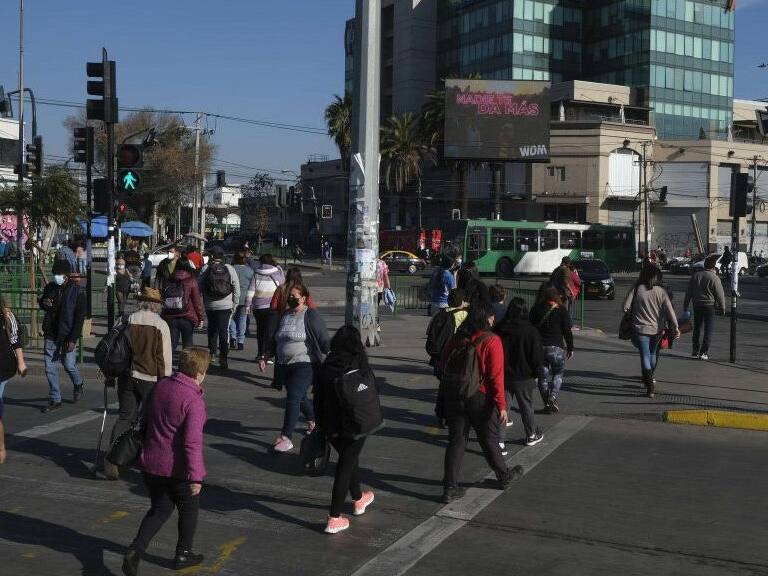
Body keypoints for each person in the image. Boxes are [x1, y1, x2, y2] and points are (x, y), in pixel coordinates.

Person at [121, 347, 210, 576]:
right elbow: (191, 443)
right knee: (189, 510)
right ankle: (183, 553)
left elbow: (146, 420)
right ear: (200, 372)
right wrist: (196, 476)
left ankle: (135, 549)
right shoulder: (193, 400)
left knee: (159, 510)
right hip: (177, 468)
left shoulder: (161, 386)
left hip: (151, 464)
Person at [436, 302, 523, 503]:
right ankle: (503, 475)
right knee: (488, 439)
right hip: (480, 397)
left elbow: (442, 365)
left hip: (455, 395)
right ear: (485, 319)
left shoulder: (457, 339)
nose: (493, 320)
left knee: (457, 440)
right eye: (491, 317)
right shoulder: (491, 340)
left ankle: (449, 487)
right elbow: (496, 377)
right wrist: (501, 405)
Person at [105, 287, 173, 481]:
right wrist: (166, 382)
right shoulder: (161, 325)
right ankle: (148, 460)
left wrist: (111, 373)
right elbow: (164, 359)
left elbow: (114, 348)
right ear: (156, 305)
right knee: (153, 421)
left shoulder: (126, 320)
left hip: (126, 376)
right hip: (151, 379)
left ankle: (112, 461)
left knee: (125, 418)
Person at [315, 326, 378, 534]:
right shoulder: (357, 361)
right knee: (345, 464)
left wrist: (319, 424)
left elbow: (317, 397)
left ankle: (359, 498)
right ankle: (334, 516)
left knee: (349, 459)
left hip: (330, 425)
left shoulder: (327, 365)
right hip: (353, 424)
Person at [262, 283, 330, 454]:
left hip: (305, 363)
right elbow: (276, 337)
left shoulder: (310, 315)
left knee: (293, 396)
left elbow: (323, 338)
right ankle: (313, 421)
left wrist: (333, 355)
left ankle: (286, 437)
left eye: (295, 296)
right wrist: (266, 355)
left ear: (304, 297)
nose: (291, 298)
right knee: (299, 397)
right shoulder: (285, 315)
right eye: (289, 296)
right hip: (284, 364)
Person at [624, 264, 680, 397]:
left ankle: (650, 387)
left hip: (640, 329)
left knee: (644, 355)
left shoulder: (637, 289)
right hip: (657, 330)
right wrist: (676, 327)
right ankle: (650, 377)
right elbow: (670, 311)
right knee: (653, 353)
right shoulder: (661, 291)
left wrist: (635, 311)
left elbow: (625, 307)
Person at [494, 298, 544, 446]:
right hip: (524, 376)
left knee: (503, 408)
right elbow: (536, 356)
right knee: (526, 407)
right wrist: (536, 374)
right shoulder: (531, 331)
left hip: (503, 375)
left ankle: (499, 440)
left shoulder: (499, 329)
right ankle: (531, 435)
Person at [39, 260, 86, 413]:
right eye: (55, 274)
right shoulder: (50, 287)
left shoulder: (78, 292)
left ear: (66, 276)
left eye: (59, 274)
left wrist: (73, 339)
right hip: (51, 333)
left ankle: (78, 383)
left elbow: (79, 318)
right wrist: (44, 303)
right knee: (49, 367)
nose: (56, 277)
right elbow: (43, 303)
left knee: (69, 365)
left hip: (67, 335)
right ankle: (55, 398)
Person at [529, 285, 573, 413]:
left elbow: (531, 329)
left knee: (542, 377)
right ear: (556, 295)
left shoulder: (536, 309)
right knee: (557, 374)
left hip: (540, 349)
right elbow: (567, 331)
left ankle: (547, 403)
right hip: (556, 349)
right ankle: (553, 397)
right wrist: (570, 347)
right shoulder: (562, 310)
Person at [200, 246, 240, 371]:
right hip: (226, 305)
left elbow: (199, 286)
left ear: (212, 256)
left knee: (212, 329)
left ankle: (212, 354)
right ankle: (223, 357)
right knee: (224, 331)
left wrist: (205, 301)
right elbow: (236, 288)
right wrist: (234, 304)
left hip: (210, 305)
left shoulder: (206, 269)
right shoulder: (229, 268)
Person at [0, 293, 28, 464]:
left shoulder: (7, 316)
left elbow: (15, 341)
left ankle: (1, 447)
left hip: (3, 366)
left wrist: (21, 362)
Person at [684, 254, 725, 361]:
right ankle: (704, 352)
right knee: (708, 330)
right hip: (709, 306)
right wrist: (722, 307)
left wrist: (685, 305)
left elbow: (689, 292)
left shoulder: (696, 276)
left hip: (697, 305)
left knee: (697, 328)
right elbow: (719, 295)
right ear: (713, 267)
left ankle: (695, 350)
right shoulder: (715, 278)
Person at [161, 259, 204, 351]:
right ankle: (186, 364)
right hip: (187, 316)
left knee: (171, 344)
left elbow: (163, 297)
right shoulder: (192, 280)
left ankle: (167, 364)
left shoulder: (169, 279)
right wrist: (200, 317)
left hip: (170, 315)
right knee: (188, 345)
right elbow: (197, 301)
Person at [425, 288, 469, 374]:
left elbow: (428, 331)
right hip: (452, 347)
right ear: (462, 301)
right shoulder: (463, 314)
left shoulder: (439, 313)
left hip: (439, 348)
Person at [251, 254, 285, 362]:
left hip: (258, 307)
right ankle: (268, 355)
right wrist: (279, 268)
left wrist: (247, 305)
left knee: (260, 330)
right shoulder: (276, 272)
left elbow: (250, 290)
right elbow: (283, 283)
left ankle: (260, 353)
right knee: (270, 332)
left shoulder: (256, 273)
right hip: (272, 307)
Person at [228, 251, 256, 351]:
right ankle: (241, 341)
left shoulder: (231, 269)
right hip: (245, 298)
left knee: (231, 318)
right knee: (242, 319)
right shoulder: (250, 271)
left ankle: (233, 337)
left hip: (232, 297)